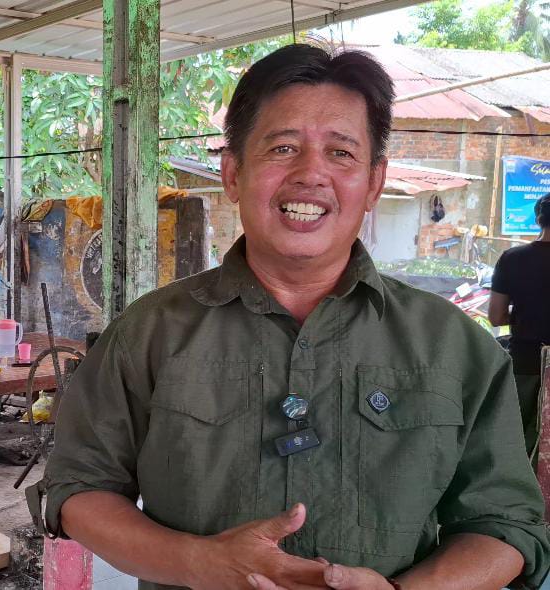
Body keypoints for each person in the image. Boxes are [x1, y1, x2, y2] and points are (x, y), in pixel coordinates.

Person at [33, 45, 549, 590]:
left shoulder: (455, 347)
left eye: (341, 153)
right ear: (233, 173)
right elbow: (78, 489)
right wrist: (199, 563)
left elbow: (508, 526)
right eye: (283, 147)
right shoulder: (149, 332)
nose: (311, 174)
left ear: (374, 183)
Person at [489, 192, 550, 460]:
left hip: (525, 363)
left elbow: (495, 317)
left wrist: (525, 313)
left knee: (515, 448)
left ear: (538, 219)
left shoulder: (512, 258)